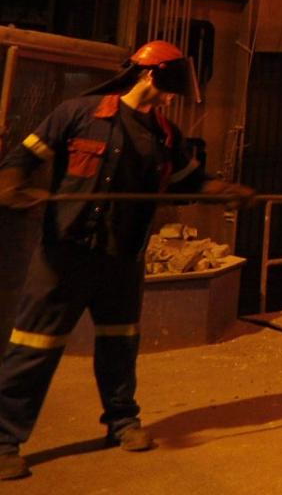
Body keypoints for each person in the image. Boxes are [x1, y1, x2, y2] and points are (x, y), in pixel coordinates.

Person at [0, 40, 252, 481]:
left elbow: (190, 182)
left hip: (123, 258)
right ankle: (4, 441)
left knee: (120, 344)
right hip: (67, 253)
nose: (173, 96)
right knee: (34, 347)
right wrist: (11, 183)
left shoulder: (165, 135)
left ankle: (121, 423)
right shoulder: (78, 113)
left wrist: (227, 190)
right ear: (151, 74)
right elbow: (24, 157)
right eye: (172, 85)